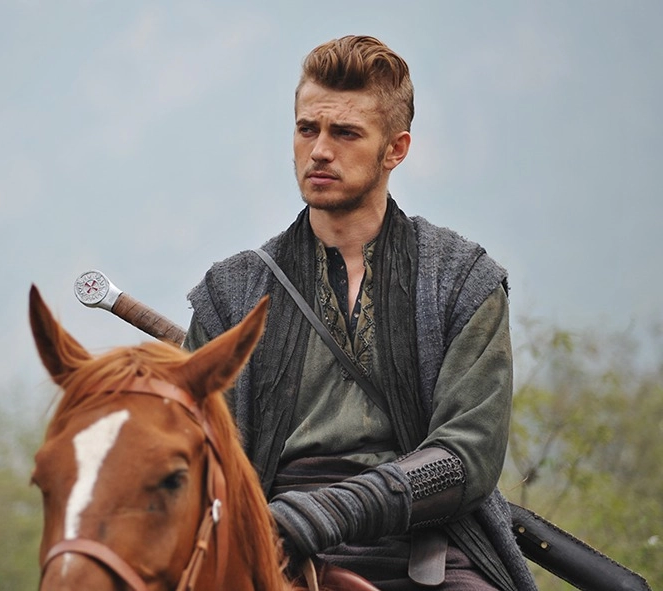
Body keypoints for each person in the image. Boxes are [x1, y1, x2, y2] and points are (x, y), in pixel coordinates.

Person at [184, 35, 536, 591]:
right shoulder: (230, 293)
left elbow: (466, 455)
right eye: (307, 130)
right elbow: (195, 460)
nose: (320, 151)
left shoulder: (461, 280)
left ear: (396, 149)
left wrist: (331, 511)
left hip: (428, 547)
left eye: (345, 133)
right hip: (270, 544)